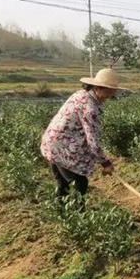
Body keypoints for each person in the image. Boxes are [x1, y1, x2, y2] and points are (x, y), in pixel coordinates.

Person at [41, 68, 126, 198]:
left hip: (52, 142)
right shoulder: (91, 109)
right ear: (97, 88)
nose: (110, 95)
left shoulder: (80, 94)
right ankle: (78, 216)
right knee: (79, 184)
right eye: (107, 91)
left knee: (63, 184)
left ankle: (62, 214)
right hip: (63, 148)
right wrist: (106, 163)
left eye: (112, 91)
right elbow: (93, 142)